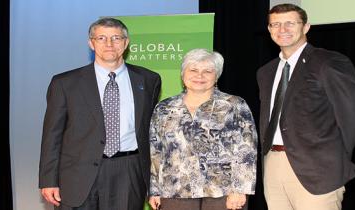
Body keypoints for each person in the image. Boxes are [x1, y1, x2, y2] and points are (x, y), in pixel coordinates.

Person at [38, 17, 161, 210]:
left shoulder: (149, 79)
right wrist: (48, 179)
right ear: (91, 43)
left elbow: (151, 132)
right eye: (101, 38)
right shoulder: (65, 83)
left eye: (116, 38)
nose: (109, 44)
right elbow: (52, 135)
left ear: (126, 43)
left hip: (128, 171)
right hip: (77, 173)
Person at [257, 3, 355, 210]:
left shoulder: (327, 62)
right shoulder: (266, 72)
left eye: (290, 23)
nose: (283, 30)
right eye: (276, 24)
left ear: (306, 27)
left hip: (318, 169)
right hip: (273, 165)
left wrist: (333, 157)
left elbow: (353, 114)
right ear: (269, 30)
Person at [148, 49, 257, 210]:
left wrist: (240, 189)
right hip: (174, 192)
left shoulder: (235, 105)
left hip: (223, 193)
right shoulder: (164, 108)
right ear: (182, 74)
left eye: (207, 71)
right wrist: (154, 189)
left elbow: (247, 150)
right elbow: (155, 152)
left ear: (217, 76)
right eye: (193, 70)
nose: (200, 76)